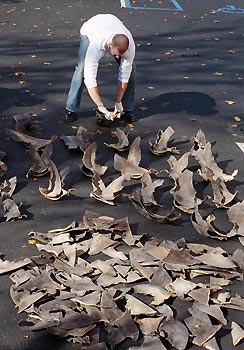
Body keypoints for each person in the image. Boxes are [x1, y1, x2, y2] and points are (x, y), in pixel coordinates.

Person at [63, 13, 137, 125]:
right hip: (91, 29)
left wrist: (118, 102)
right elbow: (90, 78)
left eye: (120, 55)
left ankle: (126, 109)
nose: (117, 58)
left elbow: (124, 76)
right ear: (110, 45)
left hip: (112, 22)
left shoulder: (130, 47)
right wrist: (100, 106)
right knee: (82, 69)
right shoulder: (96, 45)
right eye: (116, 54)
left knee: (131, 70)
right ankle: (71, 108)